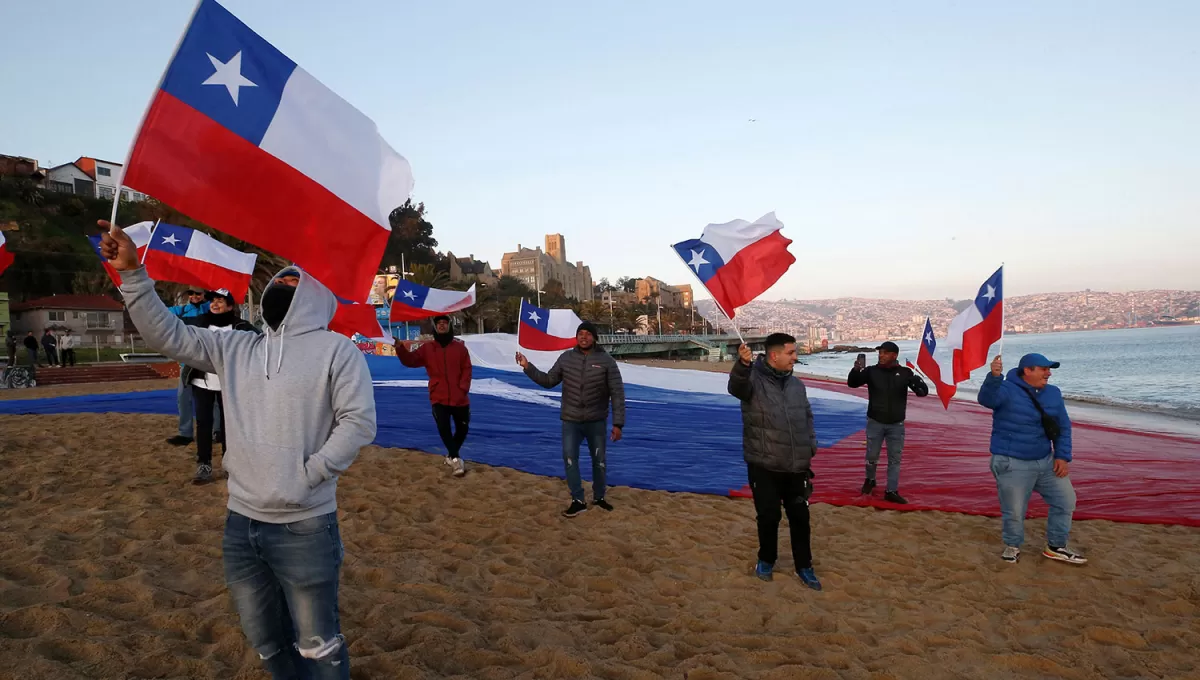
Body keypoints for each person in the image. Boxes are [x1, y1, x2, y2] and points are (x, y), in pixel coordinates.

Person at [99, 220, 376, 679]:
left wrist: (312, 473)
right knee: (265, 640)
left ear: (312, 297)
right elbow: (168, 335)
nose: (280, 289)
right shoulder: (237, 347)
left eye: (292, 283)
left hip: (304, 524)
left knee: (318, 645)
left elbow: (358, 421)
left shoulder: (336, 351)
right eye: (276, 283)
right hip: (241, 522)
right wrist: (132, 275)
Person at [728, 334, 822, 590]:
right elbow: (736, 387)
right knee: (768, 517)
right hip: (764, 464)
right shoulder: (752, 381)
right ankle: (766, 560)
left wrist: (810, 444)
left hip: (796, 465)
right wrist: (742, 365)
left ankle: (805, 566)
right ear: (774, 355)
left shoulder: (797, 385)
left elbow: (807, 415)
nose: (795, 357)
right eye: (791, 353)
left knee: (800, 518)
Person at [978, 353, 1085, 565]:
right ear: (1027, 370)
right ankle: (1013, 546)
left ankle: (1056, 546)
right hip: (1012, 462)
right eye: (1044, 369)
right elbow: (986, 399)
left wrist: (1062, 456)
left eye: (1049, 369)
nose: (1049, 373)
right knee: (1015, 511)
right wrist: (993, 376)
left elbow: (1063, 426)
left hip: (1045, 460)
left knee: (1066, 501)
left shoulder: (1053, 393)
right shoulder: (1005, 389)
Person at [516, 321, 625, 517]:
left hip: (596, 420)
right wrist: (527, 366)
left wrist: (618, 424)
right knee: (569, 459)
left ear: (594, 337)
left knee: (599, 461)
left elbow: (617, 393)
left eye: (588, 334)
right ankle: (577, 499)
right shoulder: (566, 358)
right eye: (580, 333)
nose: (583, 337)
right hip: (571, 420)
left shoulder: (607, 361)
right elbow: (549, 381)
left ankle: (599, 497)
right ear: (576, 337)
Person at [184, 289, 258, 484]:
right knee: (203, 423)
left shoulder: (241, 326)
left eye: (220, 301)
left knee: (229, 426)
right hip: (201, 381)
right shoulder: (199, 323)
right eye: (212, 301)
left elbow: (260, 344)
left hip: (231, 384)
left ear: (231, 306)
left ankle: (229, 464)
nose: (215, 304)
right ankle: (204, 465)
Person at [846, 340, 928, 504]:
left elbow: (922, 393)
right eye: (880, 353)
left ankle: (891, 491)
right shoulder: (871, 371)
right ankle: (870, 479)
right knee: (871, 456)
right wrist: (855, 370)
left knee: (894, 459)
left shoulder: (905, 373)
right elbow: (852, 383)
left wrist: (918, 381)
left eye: (884, 353)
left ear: (894, 355)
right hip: (875, 421)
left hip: (896, 424)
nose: (880, 355)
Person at [395, 314, 472, 477]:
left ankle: (450, 455)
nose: (442, 325)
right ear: (435, 327)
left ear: (449, 326)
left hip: (460, 397)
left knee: (462, 429)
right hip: (439, 396)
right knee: (443, 429)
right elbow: (410, 360)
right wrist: (400, 348)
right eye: (439, 324)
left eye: (445, 323)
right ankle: (456, 460)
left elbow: (467, 369)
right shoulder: (428, 348)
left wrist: (463, 387)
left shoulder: (460, 349)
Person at [165, 289, 213, 447]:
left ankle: (217, 431)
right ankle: (185, 433)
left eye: (198, 294)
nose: (194, 297)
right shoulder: (182, 310)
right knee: (183, 398)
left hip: (208, 360)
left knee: (213, 399)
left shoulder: (209, 307)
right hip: (188, 361)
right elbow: (159, 310)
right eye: (191, 294)